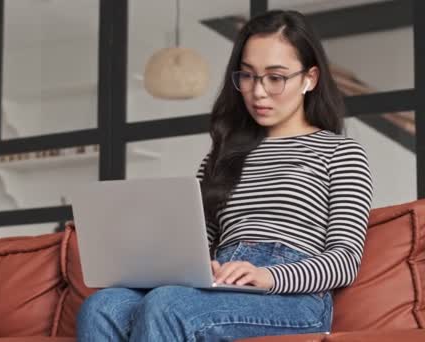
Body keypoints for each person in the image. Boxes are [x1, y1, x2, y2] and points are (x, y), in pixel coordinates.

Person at [76, 10, 373, 342]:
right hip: (220, 281)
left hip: (293, 297)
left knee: (168, 305)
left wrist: (268, 275)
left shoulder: (340, 152)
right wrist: (201, 265)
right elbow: (196, 245)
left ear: (310, 78)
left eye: (275, 77)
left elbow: (344, 260)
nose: (258, 92)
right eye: (247, 76)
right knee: (102, 306)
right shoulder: (220, 156)